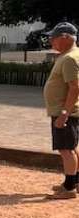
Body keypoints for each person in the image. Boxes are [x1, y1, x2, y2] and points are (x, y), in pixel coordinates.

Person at [42, 21, 79, 199]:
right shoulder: (70, 55)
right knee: (71, 147)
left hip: (65, 111)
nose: (51, 42)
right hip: (68, 110)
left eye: (53, 38)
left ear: (65, 37)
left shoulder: (70, 58)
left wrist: (65, 112)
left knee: (66, 149)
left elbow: (74, 87)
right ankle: (74, 181)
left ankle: (69, 188)